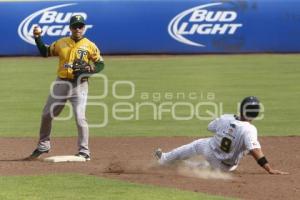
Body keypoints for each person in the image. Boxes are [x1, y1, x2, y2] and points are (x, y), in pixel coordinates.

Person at [26, 15, 104, 161]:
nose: (78, 29)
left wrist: (90, 69)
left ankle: (84, 151)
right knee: (46, 115)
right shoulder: (61, 43)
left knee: (81, 118)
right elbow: (45, 52)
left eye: (80, 26)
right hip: (61, 84)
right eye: (75, 26)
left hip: (80, 85)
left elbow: (100, 63)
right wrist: (37, 37)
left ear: (84, 28)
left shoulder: (90, 45)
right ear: (70, 28)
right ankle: (44, 145)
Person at [155, 96, 288, 174]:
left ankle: (165, 159)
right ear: (256, 114)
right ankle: (194, 168)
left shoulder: (226, 118)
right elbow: (256, 151)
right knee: (246, 147)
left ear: (241, 108)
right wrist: (269, 169)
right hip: (228, 166)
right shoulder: (250, 130)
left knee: (197, 145)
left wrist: (224, 123)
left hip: (210, 153)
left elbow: (210, 127)